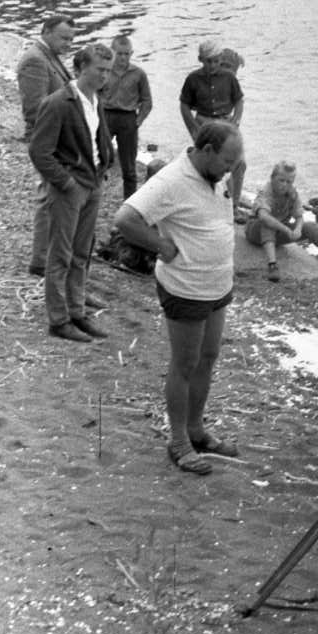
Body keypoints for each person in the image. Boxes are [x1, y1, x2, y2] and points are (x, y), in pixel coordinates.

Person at [113, 121, 244, 476]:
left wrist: (233, 172)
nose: (230, 170)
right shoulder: (171, 180)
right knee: (185, 364)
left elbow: (222, 193)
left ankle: (197, 428)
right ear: (206, 151)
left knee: (208, 357)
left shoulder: (216, 177)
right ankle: (179, 440)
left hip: (217, 284)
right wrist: (160, 245)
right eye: (227, 162)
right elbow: (125, 218)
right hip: (186, 287)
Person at [27, 43, 115, 343]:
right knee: (60, 255)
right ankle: (59, 320)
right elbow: (39, 151)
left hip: (92, 183)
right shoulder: (59, 102)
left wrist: (105, 163)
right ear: (81, 68)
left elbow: (97, 135)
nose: (105, 75)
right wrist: (65, 183)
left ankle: (77, 311)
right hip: (71, 187)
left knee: (82, 252)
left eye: (108, 70)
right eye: (100, 70)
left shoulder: (95, 99)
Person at [16, 13, 76, 277]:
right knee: (46, 197)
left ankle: (46, 254)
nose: (68, 44)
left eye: (71, 39)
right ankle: (40, 259)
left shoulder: (49, 57)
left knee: (50, 196)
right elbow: (33, 110)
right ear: (46, 31)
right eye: (63, 37)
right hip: (46, 139)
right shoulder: (35, 60)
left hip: (54, 137)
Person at [179, 41, 246, 219]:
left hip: (225, 121)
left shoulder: (229, 78)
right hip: (204, 121)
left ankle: (234, 206)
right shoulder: (193, 79)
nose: (213, 65)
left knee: (239, 163)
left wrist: (235, 120)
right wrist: (193, 128)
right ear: (201, 59)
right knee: (206, 163)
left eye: (216, 61)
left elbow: (239, 100)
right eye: (209, 61)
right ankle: (204, 204)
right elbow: (184, 104)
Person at [245, 160, 318, 281]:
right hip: (255, 231)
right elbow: (264, 216)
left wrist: (297, 229)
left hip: (278, 233)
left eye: (289, 182)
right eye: (281, 180)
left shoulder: (292, 193)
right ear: (272, 178)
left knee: (311, 226)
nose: (285, 185)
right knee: (269, 223)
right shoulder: (266, 192)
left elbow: (299, 215)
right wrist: (286, 229)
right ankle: (272, 265)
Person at [99, 33, 152, 199]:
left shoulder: (138, 74)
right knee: (100, 156)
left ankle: (130, 202)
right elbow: (94, 93)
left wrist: (138, 121)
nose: (123, 57)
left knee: (129, 166)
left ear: (131, 53)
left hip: (128, 118)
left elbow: (147, 100)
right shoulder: (104, 71)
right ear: (112, 52)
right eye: (119, 53)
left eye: (126, 53)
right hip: (106, 115)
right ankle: (93, 195)